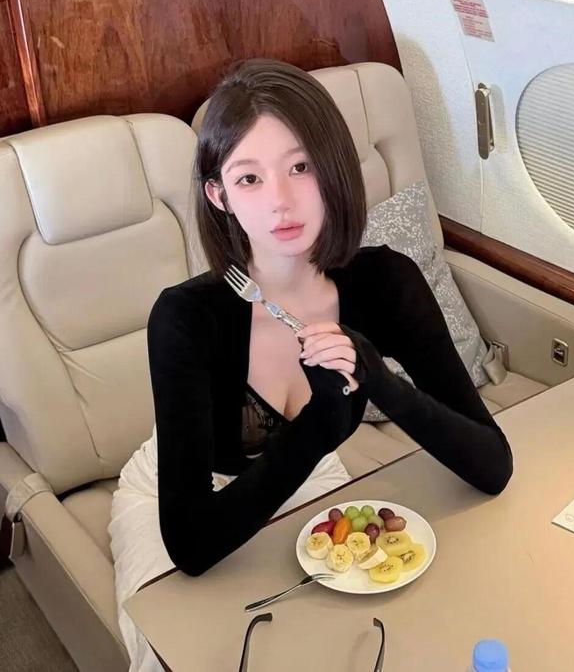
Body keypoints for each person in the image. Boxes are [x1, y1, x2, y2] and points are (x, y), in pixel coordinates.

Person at [109, 58, 513, 671]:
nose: (281, 201)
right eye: (249, 179)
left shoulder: (387, 283)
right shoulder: (186, 317)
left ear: (333, 169)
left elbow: (493, 465)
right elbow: (192, 545)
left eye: (300, 167)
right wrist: (321, 427)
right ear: (219, 196)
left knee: (343, 644)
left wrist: (382, 383)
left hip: (308, 474)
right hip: (182, 496)